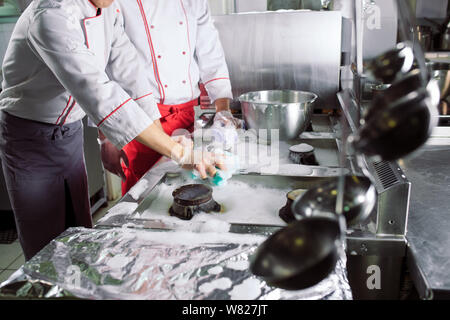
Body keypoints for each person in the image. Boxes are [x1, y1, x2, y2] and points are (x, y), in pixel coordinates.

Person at [0, 0, 223, 261]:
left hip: (69, 133)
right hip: (30, 138)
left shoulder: (107, 11)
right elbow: (100, 94)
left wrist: (169, 143)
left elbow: (131, 76)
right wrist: (178, 152)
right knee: (44, 241)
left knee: (78, 228)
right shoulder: (50, 15)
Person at [102, 0, 240, 195]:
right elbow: (105, 65)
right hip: (141, 121)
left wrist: (223, 111)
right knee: (144, 192)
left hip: (187, 118)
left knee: (191, 187)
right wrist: (106, 138)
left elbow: (212, 55)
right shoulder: (119, 3)